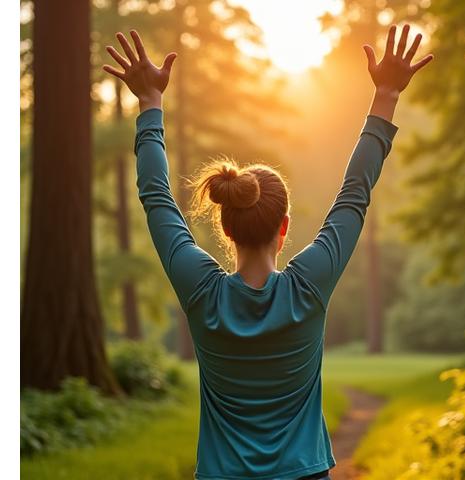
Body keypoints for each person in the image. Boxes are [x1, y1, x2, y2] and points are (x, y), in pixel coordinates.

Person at [103, 24, 433, 480]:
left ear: (224, 224)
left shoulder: (202, 292)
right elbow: (356, 191)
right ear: (284, 227)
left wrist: (149, 104)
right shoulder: (308, 287)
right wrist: (387, 94)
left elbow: (155, 197)